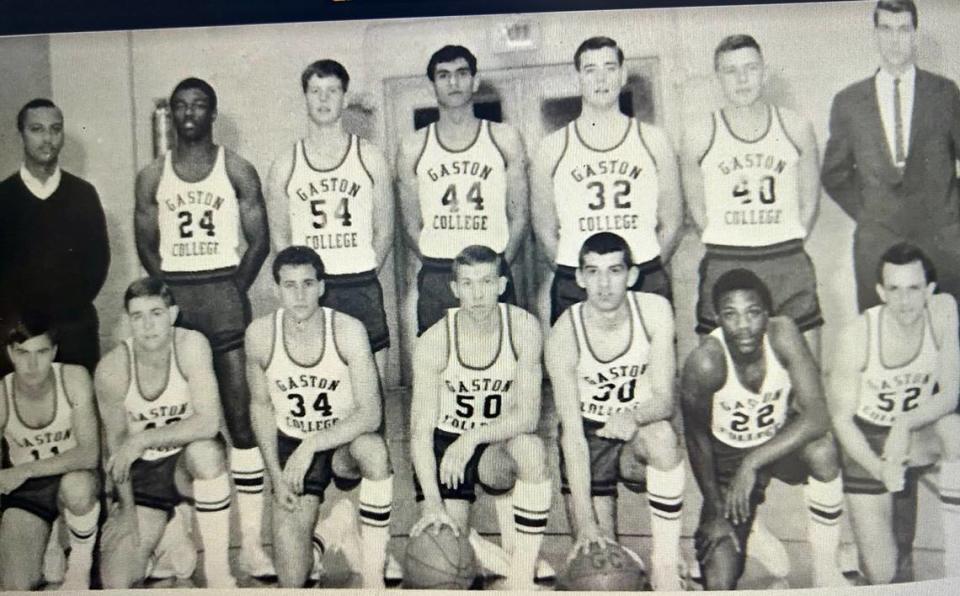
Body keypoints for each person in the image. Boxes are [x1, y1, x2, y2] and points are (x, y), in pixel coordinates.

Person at [133, 77, 272, 576]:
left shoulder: (236, 168)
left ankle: (252, 543)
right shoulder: (152, 175)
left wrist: (236, 286)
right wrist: (167, 292)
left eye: (199, 106)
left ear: (213, 113)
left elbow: (259, 239)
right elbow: (146, 243)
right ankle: (179, 539)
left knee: (239, 423)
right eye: (180, 106)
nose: (189, 113)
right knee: (175, 422)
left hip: (223, 295)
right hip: (179, 299)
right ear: (171, 114)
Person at [682, 268, 848, 589]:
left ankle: (826, 570)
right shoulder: (704, 363)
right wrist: (717, 508)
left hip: (778, 441)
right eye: (731, 315)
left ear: (768, 314)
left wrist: (753, 461)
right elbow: (697, 438)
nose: (744, 327)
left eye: (753, 313)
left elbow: (817, 416)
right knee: (718, 582)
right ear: (717, 318)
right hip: (728, 459)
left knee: (823, 452)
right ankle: (749, 525)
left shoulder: (783, 333)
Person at [245, 246, 393, 588]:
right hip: (291, 445)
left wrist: (312, 444)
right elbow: (261, 408)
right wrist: (276, 476)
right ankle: (331, 531)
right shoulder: (260, 335)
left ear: (322, 287)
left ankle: (373, 573)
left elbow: (371, 414)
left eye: (308, 284)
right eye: (289, 285)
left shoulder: (348, 330)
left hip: (342, 441)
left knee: (373, 449)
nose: (299, 294)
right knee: (292, 579)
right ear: (275, 289)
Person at [546, 232, 685, 591]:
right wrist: (587, 520)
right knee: (601, 564)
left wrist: (632, 417)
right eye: (593, 272)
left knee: (663, 436)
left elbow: (665, 400)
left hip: (634, 434)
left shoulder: (655, 311)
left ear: (633, 275)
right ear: (579, 278)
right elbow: (571, 435)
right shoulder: (564, 334)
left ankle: (666, 565)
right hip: (589, 440)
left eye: (614, 271)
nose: (604, 284)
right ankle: (611, 541)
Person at [410, 245, 550, 590]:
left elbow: (529, 416)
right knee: (448, 557)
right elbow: (419, 432)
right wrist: (431, 504)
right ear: (455, 289)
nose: (477, 294)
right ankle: (483, 548)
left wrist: (472, 438)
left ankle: (521, 575)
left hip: (492, 441)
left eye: (486, 282)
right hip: (447, 448)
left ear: (502, 285)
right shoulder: (434, 341)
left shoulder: (523, 328)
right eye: (468, 284)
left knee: (530, 448)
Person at [682, 34, 823, 356]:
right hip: (726, 260)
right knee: (720, 373)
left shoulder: (795, 126)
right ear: (717, 77)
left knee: (805, 370)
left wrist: (784, 237)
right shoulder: (700, 134)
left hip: (785, 259)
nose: (742, 79)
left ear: (764, 71)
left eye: (750, 68)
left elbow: (810, 203)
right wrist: (729, 238)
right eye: (730, 71)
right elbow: (697, 208)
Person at [826, 243, 960, 583]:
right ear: (880, 292)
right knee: (885, 577)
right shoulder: (857, 335)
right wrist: (879, 466)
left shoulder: (943, 312)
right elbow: (841, 419)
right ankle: (861, 555)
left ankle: (957, 564)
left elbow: (950, 394)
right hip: (867, 442)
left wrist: (904, 424)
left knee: (952, 428)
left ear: (929, 290)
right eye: (895, 289)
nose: (904, 301)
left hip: (915, 435)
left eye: (914, 288)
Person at [95, 277, 236, 588]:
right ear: (128, 321)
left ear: (172, 314)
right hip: (144, 472)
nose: (148, 325)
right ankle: (170, 532)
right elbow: (118, 451)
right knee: (115, 580)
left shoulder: (191, 344)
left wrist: (143, 438)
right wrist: (127, 512)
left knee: (207, 453)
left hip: (185, 462)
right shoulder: (112, 368)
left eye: (156, 314)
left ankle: (217, 569)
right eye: (138, 316)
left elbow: (209, 422)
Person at [531, 36, 682, 326]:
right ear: (578, 78)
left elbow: (672, 223)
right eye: (590, 70)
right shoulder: (553, 147)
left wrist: (637, 270)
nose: (601, 78)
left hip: (643, 277)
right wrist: (587, 275)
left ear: (623, 75)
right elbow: (545, 231)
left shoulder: (653, 140)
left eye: (610, 68)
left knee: (652, 367)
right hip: (577, 282)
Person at [822, 0, 960, 312]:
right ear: (875, 35)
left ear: (914, 34)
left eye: (903, 29)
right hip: (878, 243)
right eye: (886, 29)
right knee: (878, 338)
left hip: (941, 242)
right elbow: (833, 174)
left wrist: (950, 210)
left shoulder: (945, 93)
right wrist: (872, 213)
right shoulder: (850, 102)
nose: (895, 39)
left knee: (948, 337)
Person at [265, 59, 394, 375]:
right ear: (305, 97)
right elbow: (281, 241)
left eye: (332, 91)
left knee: (371, 391)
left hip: (360, 285)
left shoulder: (369, 157)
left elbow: (385, 231)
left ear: (345, 98)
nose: (323, 99)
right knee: (320, 384)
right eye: (315, 91)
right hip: (309, 291)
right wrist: (301, 286)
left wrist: (359, 269)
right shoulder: (286, 164)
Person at [397, 45, 528, 336]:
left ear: (475, 81)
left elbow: (519, 217)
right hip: (438, 274)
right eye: (443, 75)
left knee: (499, 365)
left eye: (461, 73)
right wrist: (439, 260)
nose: (453, 82)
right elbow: (409, 226)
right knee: (440, 366)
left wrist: (497, 266)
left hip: (490, 269)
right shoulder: (413, 147)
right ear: (432, 85)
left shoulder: (503, 138)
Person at [0, 99, 110, 375]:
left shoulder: (83, 194)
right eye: (37, 129)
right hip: (17, 334)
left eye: (55, 129)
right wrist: (19, 323)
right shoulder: (4, 197)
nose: (47, 138)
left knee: (80, 408)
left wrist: (65, 317)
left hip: (73, 330)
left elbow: (97, 264)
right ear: (21, 134)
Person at [0, 315, 99, 590]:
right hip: (31, 491)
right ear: (10, 353)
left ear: (54, 352)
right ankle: (51, 536)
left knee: (77, 486)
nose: (32, 365)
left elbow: (90, 454)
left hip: (75, 480)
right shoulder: (1, 394)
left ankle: (80, 563)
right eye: (23, 353)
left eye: (41, 352)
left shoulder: (74, 377)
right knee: (14, 585)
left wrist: (25, 469)